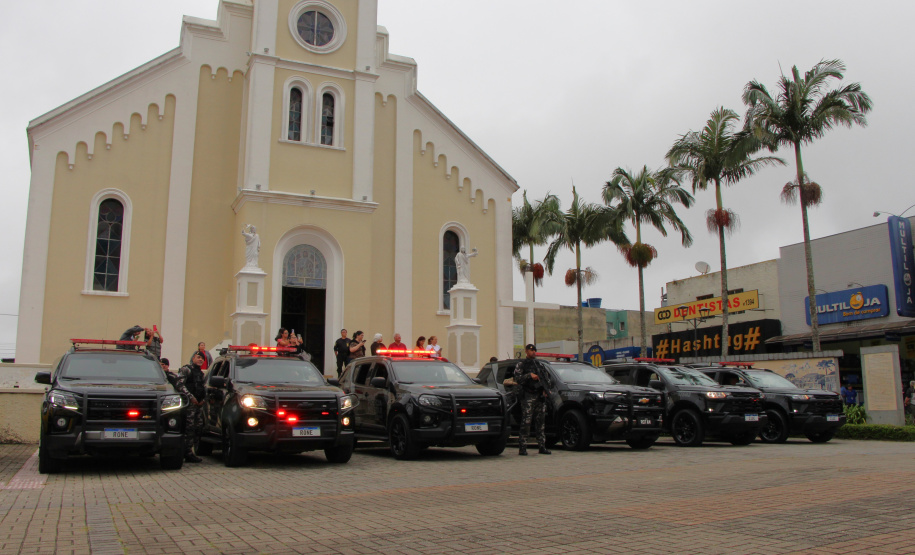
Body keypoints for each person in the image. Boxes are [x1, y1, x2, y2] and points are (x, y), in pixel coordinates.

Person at [513, 344, 550, 456]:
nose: (533, 352)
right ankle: (522, 447)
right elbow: (517, 378)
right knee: (526, 422)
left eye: (534, 350)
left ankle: (542, 446)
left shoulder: (539, 364)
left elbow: (546, 378)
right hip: (528, 395)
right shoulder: (522, 364)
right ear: (526, 351)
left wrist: (545, 389)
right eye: (531, 350)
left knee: (540, 422)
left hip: (539, 396)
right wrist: (529, 375)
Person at [176, 353, 207, 463]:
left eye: (202, 359)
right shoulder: (186, 369)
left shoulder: (201, 373)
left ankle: (190, 451)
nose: (200, 360)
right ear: (193, 358)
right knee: (188, 428)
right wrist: (191, 397)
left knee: (198, 427)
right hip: (189, 405)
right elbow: (179, 384)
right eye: (198, 357)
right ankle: (186, 452)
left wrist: (203, 399)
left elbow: (203, 387)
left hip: (198, 405)